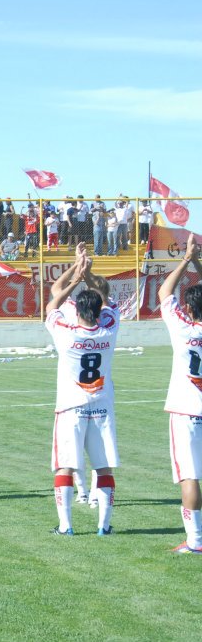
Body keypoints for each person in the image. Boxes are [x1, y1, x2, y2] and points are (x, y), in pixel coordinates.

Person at [46, 244, 120, 536]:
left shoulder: (66, 333)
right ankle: (104, 526)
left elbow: (52, 304)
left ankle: (66, 526)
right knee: (103, 468)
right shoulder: (110, 326)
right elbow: (107, 301)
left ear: (76, 309)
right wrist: (87, 274)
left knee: (65, 466)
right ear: (100, 311)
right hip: (102, 405)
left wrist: (77, 275)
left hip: (71, 406)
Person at [158, 234, 202, 553]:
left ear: (188, 307)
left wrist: (187, 259)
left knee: (189, 477)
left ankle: (196, 541)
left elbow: (164, 291)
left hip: (187, 412)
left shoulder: (182, 328)